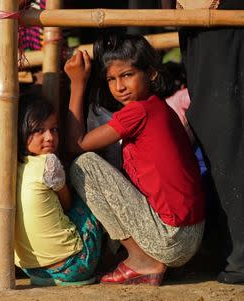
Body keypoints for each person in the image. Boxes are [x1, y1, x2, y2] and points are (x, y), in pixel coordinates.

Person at [64, 34, 205, 286]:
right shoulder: (158, 106)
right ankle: (135, 255)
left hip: (172, 239)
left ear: (151, 74)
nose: (119, 87)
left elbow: (76, 145)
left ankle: (142, 260)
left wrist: (77, 84)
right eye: (111, 79)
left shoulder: (138, 111)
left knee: (84, 166)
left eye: (127, 75)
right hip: (190, 237)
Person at [179, 0, 244, 284]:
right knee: (215, 121)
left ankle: (238, 256)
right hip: (201, 16)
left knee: (224, 124)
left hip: (219, 14)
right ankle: (231, 251)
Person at [14, 97, 102, 286]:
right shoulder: (49, 163)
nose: (49, 137)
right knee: (87, 196)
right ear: (21, 131)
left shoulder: (11, 165)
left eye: (53, 129)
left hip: (31, 269)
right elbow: (68, 204)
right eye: (39, 130)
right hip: (74, 266)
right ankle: (112, 255)